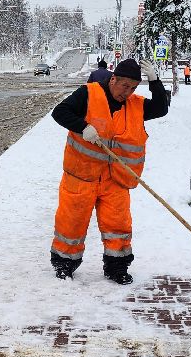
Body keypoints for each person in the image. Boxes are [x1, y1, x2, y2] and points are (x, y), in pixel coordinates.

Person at [49, 57, 170, 285]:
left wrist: (154, 81)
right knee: (71, 223)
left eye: (133, 88)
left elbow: (161, 109)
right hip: (82, 176)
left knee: (118, 227)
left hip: (116, 179)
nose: (128, 92)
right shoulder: (88, 94)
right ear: (113, 79)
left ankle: (117, 268)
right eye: (125, 86)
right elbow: (59, 112)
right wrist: (83, 127)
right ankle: (64, 264)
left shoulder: (136, 105)